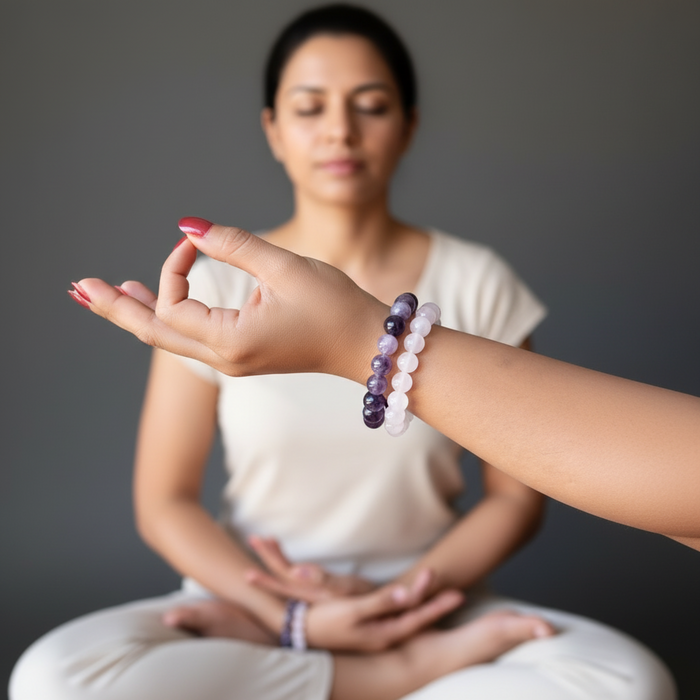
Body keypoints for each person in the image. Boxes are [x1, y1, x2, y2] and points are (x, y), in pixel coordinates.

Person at [12, 5, 676, 700]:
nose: (340, 130)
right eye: (309, 107)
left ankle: (378, 667)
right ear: (272, 128)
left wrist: (398, 605)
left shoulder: (478, 280)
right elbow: (165, 501)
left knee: (628, 683)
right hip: (254, 603)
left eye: (372, 106)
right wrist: (291, 617)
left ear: (410, 125)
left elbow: (515, 500)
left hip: (431, 604)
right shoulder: (213, 284)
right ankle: (394, 680)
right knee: (55, 680)